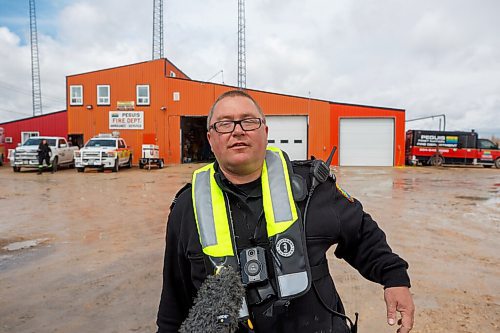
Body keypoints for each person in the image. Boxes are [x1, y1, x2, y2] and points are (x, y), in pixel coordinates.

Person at [156, 90, 415, 333]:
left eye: (248, 121)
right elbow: (175, 296)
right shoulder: (187, 208)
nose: (237, 131)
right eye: (224, 124)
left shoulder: (312, 188)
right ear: (210, 138)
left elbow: (361, 233)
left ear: (265, 131)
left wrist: (394, 278)